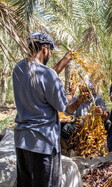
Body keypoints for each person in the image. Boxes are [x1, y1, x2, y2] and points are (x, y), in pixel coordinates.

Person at [12, 32, 76, 187]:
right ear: (45, 49)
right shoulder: (48, 74)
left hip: (22, 140)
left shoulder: (18, 69)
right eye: (50, 51)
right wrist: (70, 96)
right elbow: (62, 106)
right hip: (43, 143)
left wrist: (65, 61)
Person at [60, 80, 109, 144]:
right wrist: (77, 102)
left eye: (87, 91)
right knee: (62, 126)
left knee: (108, 123)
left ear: (92, 90)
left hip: (93, 129)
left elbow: (106, 116)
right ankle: (72, 143)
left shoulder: (98, 100)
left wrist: (102, 113)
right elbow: (68, 112)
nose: (85, 93)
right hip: (78, 129)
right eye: (83, 91)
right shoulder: (77, 99)